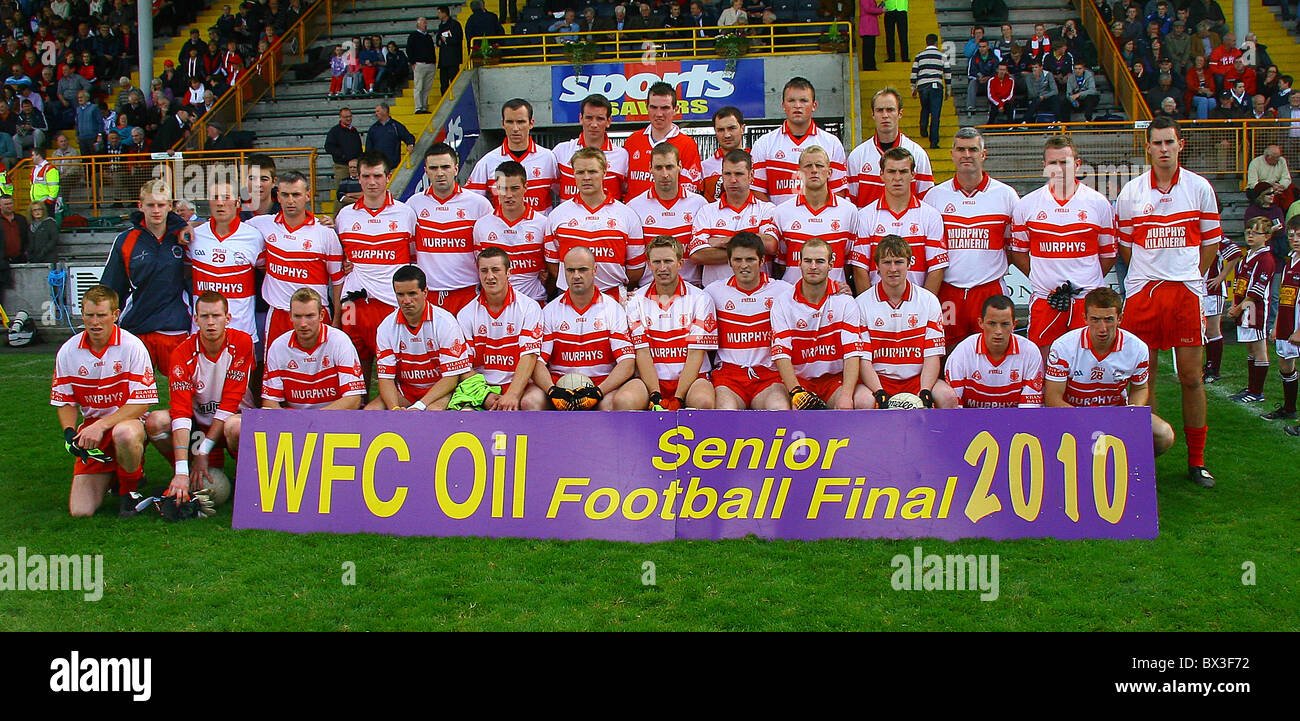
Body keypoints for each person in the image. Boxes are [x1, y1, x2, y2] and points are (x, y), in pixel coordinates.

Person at [1114, 117, 1223, 484]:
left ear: (1181, 144)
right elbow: (1126, 248)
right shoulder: (1131, 192)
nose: (1163, 149)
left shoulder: (1199, 188)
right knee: (1146, 377)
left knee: (1192, 377)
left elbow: (1210, 243)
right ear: (1147, 147)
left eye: (1169, 142)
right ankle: (1146, 459)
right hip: (1145, 291)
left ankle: (1197, 461)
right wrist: (1151, 275)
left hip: (1185, 293)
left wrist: (1189, 274)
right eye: (1157, 143)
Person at [51, 284, 157, 517]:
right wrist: (69, 432)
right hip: (92, 429)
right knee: (81, 511)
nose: (95, 322)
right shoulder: (68, 351)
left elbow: (143, 402)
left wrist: (101, 425)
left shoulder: (132, 346)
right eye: (89, 315)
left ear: (115, 315)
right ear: (83, 315)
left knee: (125, 434)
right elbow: (65, 400)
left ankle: (129, 491)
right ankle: (118, 470)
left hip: (128, 422)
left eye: (102, 315)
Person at [1011, 135, 1117, 359]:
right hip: (1045, 300)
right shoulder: (1026, 205)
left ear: (1077, 165)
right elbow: (1019, 253)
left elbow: (1108, 256)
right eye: (1053, 163)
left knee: (1089, 363)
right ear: (1044, 166)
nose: (1058, 169)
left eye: (1064, 162)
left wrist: (1085, 281)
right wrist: (1043, 280)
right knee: (1045, 363)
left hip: (1088, 302)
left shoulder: (1099, 204)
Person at [144, 291, 255, 503]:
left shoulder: (242, 342)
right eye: (204, 316)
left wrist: (203, 451)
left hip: (231, 422)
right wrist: (182, 469)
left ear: (228, 318)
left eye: (216, 316)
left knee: (235, 426)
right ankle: (185, 474)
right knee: (156, 422)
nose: (211, 322)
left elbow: (230, 403)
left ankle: (246, 482)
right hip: (198, 427)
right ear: (195, 320)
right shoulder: (182, 352)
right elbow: (181, 411)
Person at [1044, 288, 1176, 458]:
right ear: (1084, 318)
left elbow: (1140, 389)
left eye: (1108, 320)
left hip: (1115, 413)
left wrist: (1131, 412)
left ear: (1120, 319)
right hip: (1072, 414)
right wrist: (1087, 420)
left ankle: (1132, 466)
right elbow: (1053, 398)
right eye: (1095, 320)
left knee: (1164, 434)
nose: (1102, 328)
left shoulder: (1137, 348)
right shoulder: (1063, 346)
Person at [922, 127, 1019, 350]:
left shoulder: (1006, 195)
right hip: (949, 289)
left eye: (973, 149)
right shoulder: (935, 196)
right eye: (961, 149)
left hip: (989, 288)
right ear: (952, 154)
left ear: (983, 154)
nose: (967, 154)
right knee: (943, 351)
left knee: (991, 350)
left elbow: (1014, 247)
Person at [335, 150, 418, 380]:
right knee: (354, 364)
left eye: (378, 176)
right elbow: (340, 255)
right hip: (354, 303)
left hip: (391, 302)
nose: (372, 182)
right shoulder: (345, 216)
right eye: (366, 176)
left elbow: (414, 257)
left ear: (388, 176)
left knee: (398, 365)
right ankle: (357, 408)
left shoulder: (406, 214)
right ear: (358, 178)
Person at [535, 245, 644, 410]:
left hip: (601, 386)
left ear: (595, 270)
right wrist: (552, 391)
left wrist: (598, 392)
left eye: (582, 270)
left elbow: (627, 363)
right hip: (560, 388)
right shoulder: (550, 310)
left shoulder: (612, 308)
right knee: (530, 401)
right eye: (571, 270)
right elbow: (537, 362)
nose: (576, 275)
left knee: (609, 404)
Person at [855, 234, 958, 408]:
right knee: (862, 401)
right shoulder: (861, 303)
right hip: (879, 381)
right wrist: (879, 391)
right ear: (877, 266)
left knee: (948, 397)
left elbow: (932, 355)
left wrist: (925, 390)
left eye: (899, 262)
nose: (893, 269)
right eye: (887, 262)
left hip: (916, 380)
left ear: (909, 264)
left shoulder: (928, 300)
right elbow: (863, 360)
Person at [771, 238, 873, 410]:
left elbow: (852, 353)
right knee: (789, 407)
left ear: (831, 264)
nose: (813, 266)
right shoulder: (783, 302)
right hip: (799, 380)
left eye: (819, 261)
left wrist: (846, 397)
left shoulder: (846, 302)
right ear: (799, 263)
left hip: (834, 380)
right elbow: (782, 354)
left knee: (863, 401)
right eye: (808, 261)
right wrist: (796, 392)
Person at [100, 180, 192, 369]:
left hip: (175, 326)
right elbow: (111, 288)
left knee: (184, 391)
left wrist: (188, 226)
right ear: (140, 206)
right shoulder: (125, 241)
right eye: (150, 205)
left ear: (170, 206)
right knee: (134, 392)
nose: (156, 210)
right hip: (137, 325)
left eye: (161, 204)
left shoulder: (186, 238)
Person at [246, 171, 344, 345]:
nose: (291, 200)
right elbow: (230, 228)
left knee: (316, 370)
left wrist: (337, 319)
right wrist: (190, 226)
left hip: (315, 315)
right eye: (285, 195)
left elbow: (337, 282)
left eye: (296, 194)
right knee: (276, 369)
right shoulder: (261, 225)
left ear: (307, 196)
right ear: (278, 197)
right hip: (278, 314)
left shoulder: (325, 233)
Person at [624, 236, 718, 409]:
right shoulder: (635, 300)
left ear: (680, 263)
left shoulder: (700, 298)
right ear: (649, 264)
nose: (662, 268)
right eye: (656, 262)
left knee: (703, 401)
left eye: (668, 261)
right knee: (624, 401)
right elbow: (642, 353)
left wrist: (678, 397)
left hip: (692, 380)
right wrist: (655, 394)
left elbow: (695, 354)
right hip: (650, 381)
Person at [703, 232, 794, 410]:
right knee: (725, 411)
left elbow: (813, 297)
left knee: (779, 408)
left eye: (750, 259)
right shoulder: (713, 291)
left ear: (761, 261)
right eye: (738, 260)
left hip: (768, 375)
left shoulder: (783, 291)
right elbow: (686, 300)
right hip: (729, 375)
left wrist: (837, 289)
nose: (744, 265)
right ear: (729, 262)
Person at [367, 263, 471, 411]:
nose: (406, 301)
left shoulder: (445, 322)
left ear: (425, 292)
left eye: (412, 294)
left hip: (439, 390)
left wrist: (420, 406)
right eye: (400, 295)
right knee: (372, 412)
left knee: (430, 413)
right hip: (406, 391)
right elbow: (386, 378)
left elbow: (451, 378)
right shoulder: (386, 326)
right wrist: (394, 409)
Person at [545, 147, 644, 297]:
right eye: (580, 172)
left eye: (592, 172)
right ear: (573, 174)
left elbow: (636, 268)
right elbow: (553, 264)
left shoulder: (627, 214)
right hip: (570, 297)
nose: (586, 177)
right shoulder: (557, 215)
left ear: (604, 172)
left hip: (614, 298)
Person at [455, 248, 546, 411]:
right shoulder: (466, 314)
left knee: (531, 402)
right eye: (484, 271)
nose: (490, 276)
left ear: (508, 272)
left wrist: (513, 394)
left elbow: (529, 356)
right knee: (466, 413)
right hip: (485, 387)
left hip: (521, 386)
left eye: (496, 270)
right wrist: (485, 395)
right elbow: (463, 367)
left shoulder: (529, 307)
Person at [408, 143, 494, 315]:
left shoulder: (478, 204)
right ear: (426, 171)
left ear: (456, 168)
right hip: (428, 294)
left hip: (468, 293)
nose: (440, 173)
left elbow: (491, 251)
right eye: (434, 168)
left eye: (445, 167)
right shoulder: (413, 205)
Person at [850, 147, 946, 296]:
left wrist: (923, 306)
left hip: (917, 309)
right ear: (881, 174)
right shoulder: (865, 215)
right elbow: (859, 268)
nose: (897, 178)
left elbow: (936, 269)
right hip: (877, 308)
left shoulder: (931, 215)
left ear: (913, 175)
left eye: (903, 171)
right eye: (891, 171)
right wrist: (870, 306)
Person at [262, 287, 365, 410]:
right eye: (298, 316)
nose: (303, 323)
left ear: (321, 315)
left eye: (310, 316)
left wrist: (311, 421)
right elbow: (269, 403)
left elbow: (353, 399)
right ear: (290, 316)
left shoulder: (340, 341)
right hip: (294, 422)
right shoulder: (278, 346)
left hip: (335, 419)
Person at [750, 77, 848, 205]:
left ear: (814, 105)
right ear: (783, 105)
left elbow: (838, 191)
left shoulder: (832, 143)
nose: (797, 106)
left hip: (819, 223)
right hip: (778, 223)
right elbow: (757, 191)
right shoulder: (764, 143)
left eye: (803, 100)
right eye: (791, 101)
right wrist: (778, 217)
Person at [188, 182, 264, 343]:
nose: (220, 203)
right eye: (215, 198)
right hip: (202, 332)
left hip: (242, 331)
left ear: (237, 202)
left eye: (226, 197)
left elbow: (265, 271)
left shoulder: (253, 237)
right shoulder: (195, 236)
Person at [689, 149, 778, 286]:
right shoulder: (706, 211)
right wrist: (752, 249)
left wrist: (725, 241)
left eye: (739, 174)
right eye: (727, 174)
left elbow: (771, 245)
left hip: (760, 296)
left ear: (751, 175)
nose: (733, 180)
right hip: (717, 297)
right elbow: (698, 255)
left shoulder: (766, 209)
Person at [626, 142, 707, 286]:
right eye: (658, 168)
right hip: (649, 290)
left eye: (669, 167)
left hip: (691, 289)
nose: (664, 174)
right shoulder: (634, 207)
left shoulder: (699, 204)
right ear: (650, 169)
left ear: (680, 166)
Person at [774, 146, 857, 286]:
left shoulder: (849, 211)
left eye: (819, 165)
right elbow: (781, 263)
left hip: (834, 297)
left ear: (829, 172)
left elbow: (848, 262)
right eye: (808, 166)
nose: (814, 170)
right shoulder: (782, 211)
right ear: (799, 173)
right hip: (793, 297)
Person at [944, 294, 1044, 407]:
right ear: (980, 323)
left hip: (1014, 421)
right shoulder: (963, 351)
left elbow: (1029, 409)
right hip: (970, 421)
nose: (998, 331)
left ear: (1014, 325)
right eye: (992, 324)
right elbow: (955, 406)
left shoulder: (1030, 352)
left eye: (1005, 324)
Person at [465, 98, 558, 214]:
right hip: (502, 230)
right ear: (502, 124)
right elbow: (469, 201)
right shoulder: (488, 161)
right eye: (510, 122)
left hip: (539, 230)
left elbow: (565, 194)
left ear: (531, 123)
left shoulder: (548, 158)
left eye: (521, 122)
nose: (515, 128)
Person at [472, 161, 548, 303]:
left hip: (534, 303)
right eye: (503, 188)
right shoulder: (482, 225)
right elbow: (480, 268)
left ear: (526, 187)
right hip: (494, 305)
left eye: (514, 188)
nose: (508, 195)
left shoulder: (543, 224)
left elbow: (549, 272)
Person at [849, 88, 934, 207]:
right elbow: (851, 204)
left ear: (900, 113)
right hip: (869, 225)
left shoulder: (918, 154)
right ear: (873, 114)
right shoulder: (857, 156)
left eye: (890, 110)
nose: (885, 115)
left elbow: (926, 201)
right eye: (879, 110)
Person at [1226, 217, 1276, 405]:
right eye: (1248, 231)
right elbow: (1240, 285)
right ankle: (1251, 387)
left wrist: (1239, 308)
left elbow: (1257, 291)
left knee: (1258, 347)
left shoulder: (1265, 259)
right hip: (1243, 307)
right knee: (1250, 348)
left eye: (1256, 232)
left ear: (1267, 236)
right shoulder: (1246, 256)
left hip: (1255, 309)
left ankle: (1257, 391)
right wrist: (1234, 304)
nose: (1251, 235)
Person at [623, 82, 704, 198]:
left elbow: (691, 188)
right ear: (647, 108)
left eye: (665, 108)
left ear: (675, 109)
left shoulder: (687, 144)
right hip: (636, 213)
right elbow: (623, 184)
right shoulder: (633, 140)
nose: (659, 113)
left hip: (672, 213)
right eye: (654, 107)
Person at [553, 94, 629, 202]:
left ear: (608, 121)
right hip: (569, 217)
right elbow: (553, 186)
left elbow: (626, 191)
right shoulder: (561, 151)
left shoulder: (622, 155)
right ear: (581, 118)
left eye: (600, 119)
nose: (594, 124)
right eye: (589, 118)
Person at [1261, 218, 1300, 424]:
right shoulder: (1288, 262)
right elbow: (1284, 298)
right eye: (1292, 235)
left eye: (1299, 235)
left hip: (1298, 327)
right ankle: (1289, 409)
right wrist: (1276, 326)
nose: (1295, 239)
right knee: (1285, 365)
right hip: (1286, 324)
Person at [1201, 224, 1243, 384]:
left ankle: (1213, 369)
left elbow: (1235, 253)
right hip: (1195, 289)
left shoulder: (1214, 235)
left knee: (1212, 329)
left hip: (1212, 290)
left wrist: (1221, 276)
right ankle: (1204, 366)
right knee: (1200, 330)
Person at [909, 35, 950, 149]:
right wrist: (948, 90)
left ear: (926, 43)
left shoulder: (919, 56)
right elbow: (947, 74)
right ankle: (934, 141)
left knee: (925, 108)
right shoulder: (942, 56)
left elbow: (914, 73)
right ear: (936, 43)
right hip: (936, 86)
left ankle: (923, 126)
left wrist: (913, 88)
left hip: (923, 86)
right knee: (935, 114)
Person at [700, 106, 746, 203]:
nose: (727, 135)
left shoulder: (756, 161)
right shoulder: (704, 167)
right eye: (721, 130)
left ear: (742, 128)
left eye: (731, 128)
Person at [365, 102, 415, 170]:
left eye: (377, 111)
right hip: (377, 167)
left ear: (385, 111)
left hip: (393, 166)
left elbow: (408, 137)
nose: (376, 114)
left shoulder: (396, 126)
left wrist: (410, 144)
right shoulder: (373, 128)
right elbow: (368, 147)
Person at [324, 107, 362, 195]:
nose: (348, 119)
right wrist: (342, 155)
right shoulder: (334, 131)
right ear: (340, 118)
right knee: (341, 193)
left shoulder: (354, 131)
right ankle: (338, 209)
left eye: (350, 116)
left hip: (355, 166)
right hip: (342, 166)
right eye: (346, 117)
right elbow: (328, 147)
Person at [407, 17, 437, 114]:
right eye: (423, 22)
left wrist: (434, 62)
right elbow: (409, 50)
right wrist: (413, 62)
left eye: (425, 22)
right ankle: (418, 107)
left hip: (430, 64)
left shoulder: (428, 37)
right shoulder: (413, 36)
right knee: (419, 87)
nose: (425, 24)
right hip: (420, 63)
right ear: (418, 24)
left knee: (427, 87)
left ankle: (424, 106)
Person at [434, 5, 463, 95]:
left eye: (439, 12)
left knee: (454, 82)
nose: (438, 15)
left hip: (453, 59)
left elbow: (458, 39)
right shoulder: (440, 26)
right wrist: (439, 41)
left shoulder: (455, 24)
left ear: (444, 13)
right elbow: (438, 38)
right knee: (443, 84)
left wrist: (447, 40)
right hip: (443, 60)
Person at [964, 38, 998, 115]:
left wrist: (988, 78)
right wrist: (978, 77)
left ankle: (993, 105)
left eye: (984, 46)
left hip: (989, 82)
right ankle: (970, 106)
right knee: (972, 82)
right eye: (980, 47)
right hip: (978, 82)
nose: (982, 49)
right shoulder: (974, 58)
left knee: (993, 82)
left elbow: (997, 73)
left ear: (988, 47)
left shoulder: (994, 58)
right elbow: (970, 73)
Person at [0, 193, 28, 267]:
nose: (9, 206)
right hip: (2, 263)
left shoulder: (21, 219)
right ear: (0, 206)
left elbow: (27, 238)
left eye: (10, 203)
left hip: (20, 259)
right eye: (6, 204)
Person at [859, 0, 884, 72]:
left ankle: (871, 65)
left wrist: (879, 10)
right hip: (868, 25)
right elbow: (868, 9)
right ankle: (868, 66)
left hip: (870, 25)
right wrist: (880, 10)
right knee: (868, 47)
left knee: (871, 47)